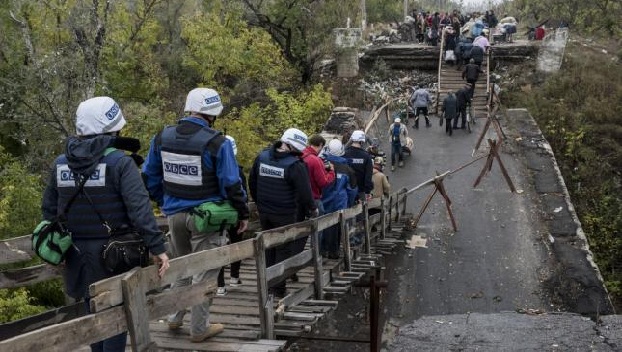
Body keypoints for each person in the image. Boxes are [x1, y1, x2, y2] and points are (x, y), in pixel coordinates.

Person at [42, 96, 170, 352]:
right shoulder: (120, 163)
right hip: (115, 254)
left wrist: (54, 248)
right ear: (113, 128)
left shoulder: (59, 164)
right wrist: (158, 248)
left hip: (75, 253)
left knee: (91, 311)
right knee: (117, 315)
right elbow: (140, 210)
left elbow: (48, 211)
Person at [142, 87, 249, 342]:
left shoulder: (162, 137)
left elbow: (148, 176)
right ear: (213, 114)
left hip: (174, 214)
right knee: (206, 272)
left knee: (180, 267)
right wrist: (242, 213)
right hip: (207, 218)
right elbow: (232, 183)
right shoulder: (217, 143)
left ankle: (174, 318)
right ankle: (199, 328)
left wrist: (163, 199)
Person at [248, 128, 317, 298]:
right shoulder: (295, 165)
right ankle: (278, 288)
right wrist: (312, 209)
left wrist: (259, 202)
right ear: (295, 148)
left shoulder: (262, 157)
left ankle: (267, 284)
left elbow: (252, 181)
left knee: (268, 247)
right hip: (285, 213)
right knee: (283, 249)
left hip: (265, 212)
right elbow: (305, 192)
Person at [216, 135, 247, 296]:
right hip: (233, 213)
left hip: (217, 214)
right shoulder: (238, 171)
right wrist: (244, 214)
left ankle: (219, 285)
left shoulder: (212, 167)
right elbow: (242, 194)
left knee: (219, 246)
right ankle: (234, 277)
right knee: (236, 245)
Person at [320, 139, 358, 259]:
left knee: (323, 226)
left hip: (324, 201)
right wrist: (350, 204)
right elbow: (352, 190)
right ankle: (334, 251)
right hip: (340, 203)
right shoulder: (347, 169)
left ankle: (321, 251)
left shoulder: (322, 165)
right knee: (336, 228)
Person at [301, 134, 336, 220]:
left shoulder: (301, 154)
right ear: (320, 145)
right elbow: (323, 182)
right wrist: (331, 172)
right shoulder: (316, 160)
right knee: (317, 228)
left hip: (300, 198)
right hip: (314, 199)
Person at [343, 130, 374, 202]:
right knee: (361, 210)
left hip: (347, 189)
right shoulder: (366, 156)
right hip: (361, 190)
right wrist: (368, 191)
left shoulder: (344, 154)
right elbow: (368, 176)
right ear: (362, 141)